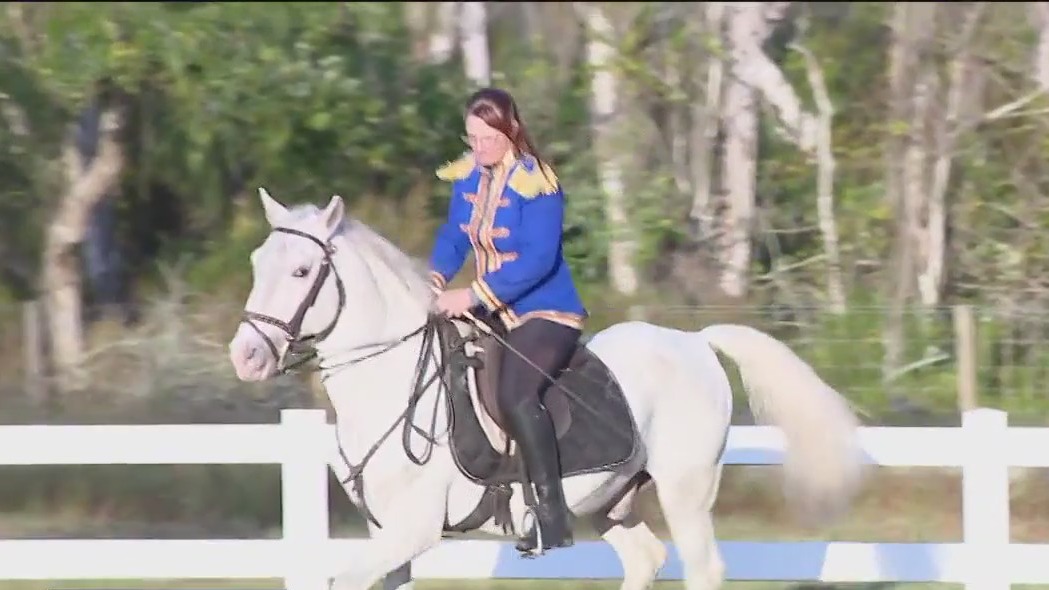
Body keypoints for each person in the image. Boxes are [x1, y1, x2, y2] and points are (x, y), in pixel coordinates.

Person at [427, 86, 587, 555]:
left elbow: (539, 258)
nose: (478, 149)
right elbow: (455, 239)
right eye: (471, 138)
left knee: (517, 395)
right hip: (491, 312)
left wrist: (474, 293)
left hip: (545, 311)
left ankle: (553, 516)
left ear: (511, 129)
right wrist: (435, 279)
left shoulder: (539, 183)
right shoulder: (468, 177)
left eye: (487, 139)